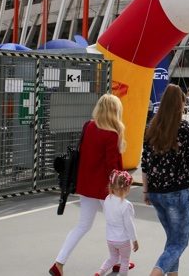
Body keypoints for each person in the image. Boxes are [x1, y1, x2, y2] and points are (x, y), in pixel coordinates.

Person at [50, 94, 127, 276]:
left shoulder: (88, 126)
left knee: (82, 225)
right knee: (117, 225)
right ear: (115, 111)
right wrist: (121, 187)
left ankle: (59, 262)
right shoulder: (112, 134)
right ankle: (118, 262)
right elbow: (112, 168)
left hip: (86, 185)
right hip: (106, 189)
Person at [142, 84, 189, 276]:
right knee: (180, 242)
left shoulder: (151, 128)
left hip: (157, 192)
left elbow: (145, 163)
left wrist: (146, 190)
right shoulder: (185, 128)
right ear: (179, 104)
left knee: (172, 241)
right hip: (178, 192)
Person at [95, 170, 139, 276]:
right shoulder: (126, 205)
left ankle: (99, 272)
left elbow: (106, 214)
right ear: (126, 188)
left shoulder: (107, 199)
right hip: (123, 240)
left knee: (112, 258)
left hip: (110, 238)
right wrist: (135, 240)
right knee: (124, 261)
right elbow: (129, 225)